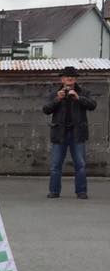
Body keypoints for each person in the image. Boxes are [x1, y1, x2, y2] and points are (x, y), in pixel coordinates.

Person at [43, 65, 95, 199]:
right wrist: (57, 99)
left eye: (72, 77)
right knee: (55, 165)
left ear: (75, 79)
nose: (69, 80)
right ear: (62, 79)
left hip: (77, 133)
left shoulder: (83, 92)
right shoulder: (55, 93)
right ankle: (54, 191)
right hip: (59, 133)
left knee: (80, 164)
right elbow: (46, 109)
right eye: (67, 77)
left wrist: (78, 98)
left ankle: (81, 191)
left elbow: (92, 105)